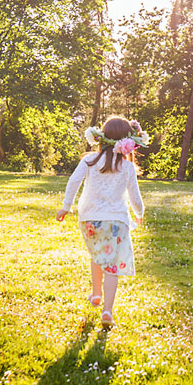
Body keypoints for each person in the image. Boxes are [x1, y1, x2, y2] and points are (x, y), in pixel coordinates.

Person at [56, 116, 149, 329]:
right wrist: (139, 213)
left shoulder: (89, 160)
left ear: (102, 137)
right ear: (128, 140)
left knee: (98, 254)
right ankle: (107, 309)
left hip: (90, 219)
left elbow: (73, 181)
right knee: (112, 266)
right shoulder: (126, 167)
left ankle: (96, 294)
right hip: (116, 220)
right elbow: (134, 195)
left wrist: (66, 206)